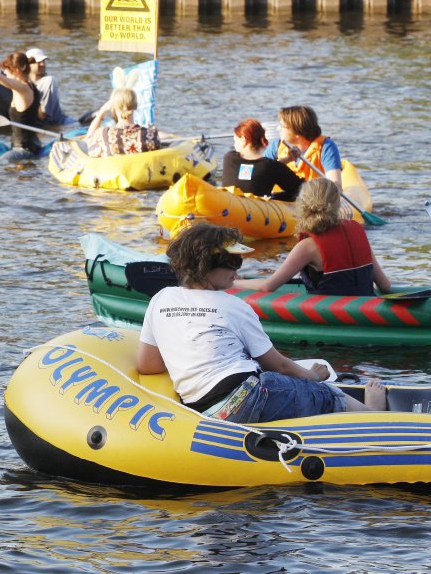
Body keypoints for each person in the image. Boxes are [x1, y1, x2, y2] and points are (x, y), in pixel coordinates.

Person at [136, 222, 386, 422]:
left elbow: (147, 365)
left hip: (205, 409)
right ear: (205, 267)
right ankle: (375, 415)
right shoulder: (234, 305)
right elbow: (280, 366)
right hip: (248, 397)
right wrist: (312, 376)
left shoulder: (161, 298)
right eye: (232, 262)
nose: (238, 270)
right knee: (327, 393)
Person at [233, 178, 391, 296]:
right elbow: (384, 286)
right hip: (365, 309)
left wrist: (232, 283)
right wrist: (245, 278)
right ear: (337, 204)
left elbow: (268, 287)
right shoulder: (358, 230)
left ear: (302, 205)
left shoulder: (307, 246)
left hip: (332, 316)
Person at [221, 118, 305, 201]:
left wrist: (287, 159)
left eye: (235, 141)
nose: (235, 145)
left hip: (229, 207)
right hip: (257, 210)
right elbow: (299, 187)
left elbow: (257, 168)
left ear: (244, 140)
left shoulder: (229, 158)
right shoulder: (270, 167)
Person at [262, 104, 342, 186]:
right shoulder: (277, 145)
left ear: (297, 132)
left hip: (312, 195)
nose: (278, 129)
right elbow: (259, 174)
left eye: (282, 126)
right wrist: (285, 160)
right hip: (280, 196)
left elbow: (336, 186)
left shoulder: (326, 147)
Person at [0, 51, 41, 159]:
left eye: (9, 70)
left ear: (17, 70)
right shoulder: (29, 85)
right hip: (34, 145)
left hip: (23, 150)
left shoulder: (21, 88)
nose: (6, 73)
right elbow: (6, 71)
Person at [84, 87, 160, 158]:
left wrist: (101, 112)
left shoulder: (104, 135)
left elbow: (88, 140)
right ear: (135, 106)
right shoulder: (150, 135)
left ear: (113, 108)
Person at [24, 47, 72, 126]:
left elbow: (43, 116)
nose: (42, 64)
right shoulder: (23, 82)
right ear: (28, 64)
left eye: (43, 61)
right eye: (38, 62)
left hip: (63, 124)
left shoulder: (48, 81)